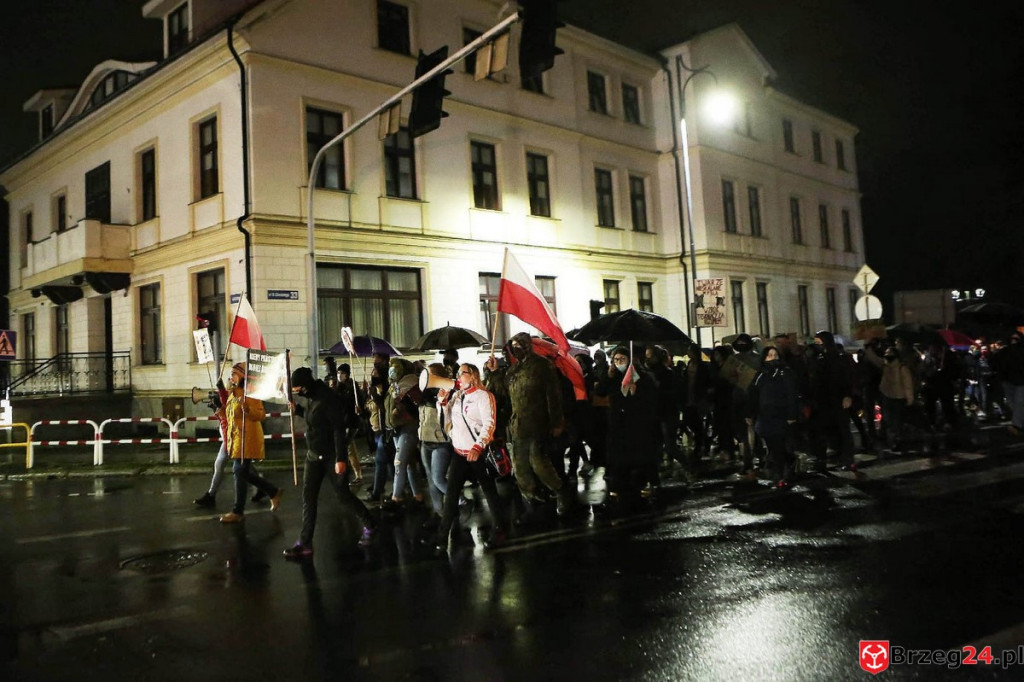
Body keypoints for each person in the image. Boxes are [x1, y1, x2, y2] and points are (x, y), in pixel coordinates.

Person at [283, 367, 377, 558]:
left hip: (331, 456)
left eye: (298, 388)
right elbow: (315, 420)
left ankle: (370, 525)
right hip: (313, 455)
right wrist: (299, 410)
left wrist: (341, 458)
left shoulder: (327, 397)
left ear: (305, 385)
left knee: (343, 495)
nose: (297, 392)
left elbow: (337, 429)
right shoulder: (311, 397)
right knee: (308, 498)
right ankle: (305, 542)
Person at [485, 332, 568, 515]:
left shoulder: (542, 366)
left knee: (538, 461)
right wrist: (494, 372)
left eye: (520, 345)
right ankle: (531, 495)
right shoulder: (513, 370)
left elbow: (553, 395)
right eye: (514, 346)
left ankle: (559, 490)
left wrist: (556, 421)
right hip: (517, 425)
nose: (517, 350)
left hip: (538, 422)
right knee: (520, 465)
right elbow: (501, 392)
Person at [432, 363, 507, 552]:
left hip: (478, 455)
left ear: (473, 376)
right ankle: (442, 537)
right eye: (457, 373)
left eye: (462, 373)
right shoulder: (457, 395)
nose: (458, 376)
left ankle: (499, 530)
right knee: (450, 496)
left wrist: (478, 446)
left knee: (490, 493)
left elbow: (489, 424)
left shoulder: (484, 396)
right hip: (459, 454)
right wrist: (441, 402)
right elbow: (446, 420)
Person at [219, 362, 283, 523]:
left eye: (234, 374)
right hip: (236, 439)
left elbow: (260, 415)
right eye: (231, 374)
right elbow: (230, 416)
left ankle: (238, 512)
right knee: (242, 473)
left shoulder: (251, 393)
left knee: (239, 472)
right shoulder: (233, 393)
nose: (231, 377)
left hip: (248, 438)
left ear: (242, 377)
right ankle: (272, 491)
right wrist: (219, 410)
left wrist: (248, 409)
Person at [597, 345, 659, 512]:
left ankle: (640, 485)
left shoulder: (642, 377)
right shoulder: (612, 375)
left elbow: (651, 399)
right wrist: (607, 377)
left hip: (636, 423)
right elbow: (600, 392)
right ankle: (620, 486)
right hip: (616, 423)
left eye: (622, 360)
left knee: (637, 455)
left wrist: (636, 393)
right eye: (616, 360)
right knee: (618, 456)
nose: (618, 363)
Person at [748, 346, 799, 487]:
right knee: (772, 444)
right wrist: (750, 413)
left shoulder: (785, 373)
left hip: (780, 414)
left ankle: (780, 473)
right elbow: (754, 395)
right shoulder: (760, 374)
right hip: (764, 415)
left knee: (777, 444)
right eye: (769, 355)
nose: (773, 357)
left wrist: (791, 414)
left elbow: (791, 395)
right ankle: (787, 462)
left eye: (775, 355)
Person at [807, 330, 855, 472]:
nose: (817, 345)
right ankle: (826, 456)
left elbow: (845, 378)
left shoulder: (838, 358)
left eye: (819, 342)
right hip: (822, 400)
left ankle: (847, 457)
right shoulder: (817, 358)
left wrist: (847, 395)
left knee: (842, 429)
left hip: (837, 398)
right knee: (823, 429)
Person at [383, 357, 425, 509]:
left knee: (399, 462)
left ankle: (396, 497)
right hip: (397, 428)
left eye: (395, 367)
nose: (392, 370)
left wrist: (401, 406)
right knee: (409, 463)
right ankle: (418, 495)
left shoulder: (412, 385)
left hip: (409, 427)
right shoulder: (393, 386)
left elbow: (415, 406)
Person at [419, 362, 455, 526]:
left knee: (438, 477)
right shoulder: (423, 393)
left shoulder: (447, 391)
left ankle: (460, 500)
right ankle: (439, 512)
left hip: (441, 441)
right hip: (425, 439)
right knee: (431, 479)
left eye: (429, 374)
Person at [864, 342, 916, 453]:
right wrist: (867, 346)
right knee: (888, 420)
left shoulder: (902, 368)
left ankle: (897, 441)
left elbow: (908, 384)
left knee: (896, 421)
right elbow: (874, 359)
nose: (887, 355)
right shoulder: (885, 364)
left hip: (898, 397)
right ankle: (893, 440)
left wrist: (909, 398)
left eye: (889, 353)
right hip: (887, 395)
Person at [193, 378, 231, 507]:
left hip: (231, 438)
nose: (230, 379)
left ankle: (269, 490)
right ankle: (211, 495)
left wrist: (219, 406)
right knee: (242, 467)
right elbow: (223, 417)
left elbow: (227, 416)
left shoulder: (233, 396)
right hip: (228, 438)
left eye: (233, 376)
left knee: (241, 468)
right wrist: (216, 409)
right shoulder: (229, 396)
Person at [334, 363, 364, 484]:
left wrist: (359, 407)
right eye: (338, 373)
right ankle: (353, 472)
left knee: (347, 448)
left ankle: (356, 474)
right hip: (341, 422)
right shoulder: (337, 387)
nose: (340, 376)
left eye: (342, 373)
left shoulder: (352, 387)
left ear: (347, 375)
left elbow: (357, 402)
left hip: (351, 422)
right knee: (348, 448)